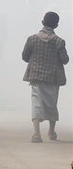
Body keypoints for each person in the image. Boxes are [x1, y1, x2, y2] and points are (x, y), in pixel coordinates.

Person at [22, 11, 68, 143]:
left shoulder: (32, 39)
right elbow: (65, 60)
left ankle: (36, 133)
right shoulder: (59, 42)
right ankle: (51, 131)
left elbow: (25, 57)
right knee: (52, 103)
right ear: (57, 25)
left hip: (36, 76)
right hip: (53, 78)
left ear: (42, 22)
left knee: (36, 103)